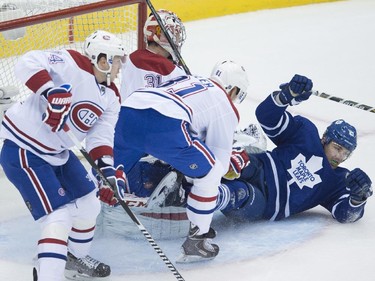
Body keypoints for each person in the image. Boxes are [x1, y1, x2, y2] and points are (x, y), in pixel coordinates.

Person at [0, 30, 127, 281]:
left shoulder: (111, 96)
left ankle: (73, 259)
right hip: (25, 149)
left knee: (89, 204)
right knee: (57, 216)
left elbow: (100, 136)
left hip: (59, 151)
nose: (120, 66)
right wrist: (49, 92)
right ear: (102, 60)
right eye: (117, 60)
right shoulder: (71, 62)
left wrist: (107, 173)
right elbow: (28, 61)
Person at [110, 60, 250, 263]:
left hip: (129, 110)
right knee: (209, 172)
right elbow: (217, 165)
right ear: (233, 88)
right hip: (166, 124)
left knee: (111, 174)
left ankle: (83, 216)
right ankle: (197, 239)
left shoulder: (189, 78)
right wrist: (234, 160)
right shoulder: (224, 103)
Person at [215, 74, 373, 223]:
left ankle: (204, 198)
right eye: (337, 148)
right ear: (325, 139)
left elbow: (345, 214)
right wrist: (286, 96)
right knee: (236, 162)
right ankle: (197, 174)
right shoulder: (305, 133)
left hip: (265, 202)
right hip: (259, 167)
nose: (340, 157)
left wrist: (358, 198)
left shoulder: (338, 180)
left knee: (240, 193)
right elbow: (266, 116)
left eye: (346, 154)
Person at [119, 9, 187, 101]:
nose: (177, 39)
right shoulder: (174, 71)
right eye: (174, 33)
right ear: (160, 35)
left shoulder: (130, 59)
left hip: (124, 113)